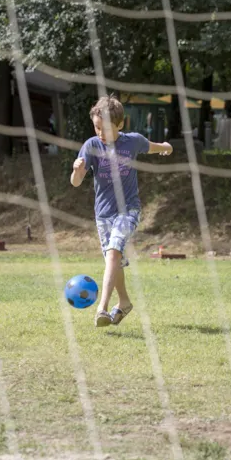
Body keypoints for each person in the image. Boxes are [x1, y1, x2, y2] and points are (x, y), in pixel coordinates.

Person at [71, 95, 173, 327]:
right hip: (103, 214)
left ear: (119, 125)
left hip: (129, 210)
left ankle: (102, 308)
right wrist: (77, 171)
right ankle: (124, 302)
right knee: (113, 260)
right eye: (97, 127)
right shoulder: (91, 146)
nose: (100, 133)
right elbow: (76, 182)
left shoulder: (132, 142)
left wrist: (166, 147)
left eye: (105, 129)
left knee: (114, 252)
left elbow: (153, 147)